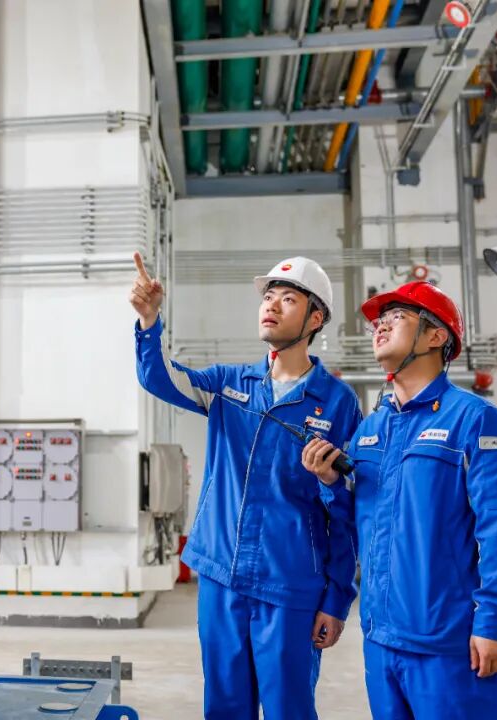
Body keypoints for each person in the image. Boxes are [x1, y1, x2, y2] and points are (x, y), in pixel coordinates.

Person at [130, 252, 361, 720]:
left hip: (290, 584)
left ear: (316, 318)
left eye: (288, 298)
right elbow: (162, 378)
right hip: (221, 577)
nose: (271, 305)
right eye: (268, 296)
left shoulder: (337, 403)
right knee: (224, 708)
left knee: (288, 710)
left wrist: (337, 598)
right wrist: (150, 322)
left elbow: (348, 511)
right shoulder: (229, 385)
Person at [302, 281, 497, 720]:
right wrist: (331, 481)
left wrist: (495, 622)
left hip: (448, 643)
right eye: (378, 321)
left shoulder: (475, 419)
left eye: (397, 318)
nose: (381, 327)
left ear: (435, 336)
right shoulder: (370, 430)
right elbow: (359, 522)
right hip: (381, 641)